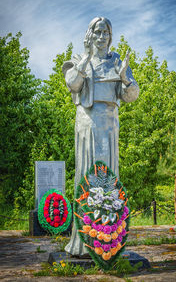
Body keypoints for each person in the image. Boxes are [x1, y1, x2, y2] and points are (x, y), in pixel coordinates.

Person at [62, 17, 139, 256]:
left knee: (108, 176)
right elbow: (73, 84)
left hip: (109, 122)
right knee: (88, 173)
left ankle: (109, 240)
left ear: (110, 35)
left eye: (106, 32)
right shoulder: (78, 59)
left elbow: (131, 95)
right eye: (97, 31)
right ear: (90, 34)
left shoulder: (117, 61)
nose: (101, 36)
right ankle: (84, 243)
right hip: (88, 121)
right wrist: (86, 56)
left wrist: (125, 76)